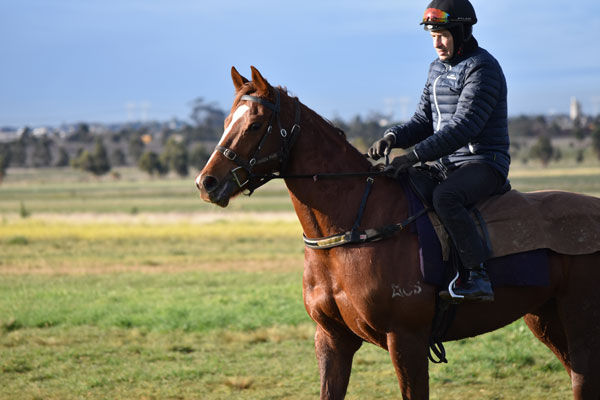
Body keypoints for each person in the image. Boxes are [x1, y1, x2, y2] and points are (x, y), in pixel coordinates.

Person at [368, 0, 511, 302]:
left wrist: (413, 157)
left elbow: (463, 127)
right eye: (432, 36)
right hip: (446, 165)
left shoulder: (483, 68)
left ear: (462, 32)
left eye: (443, 34)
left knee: (445, 197)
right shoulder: (436, 69)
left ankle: (478, 275)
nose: (437, 43)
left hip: (484, 163)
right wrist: (392, 137)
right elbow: (423, 121)